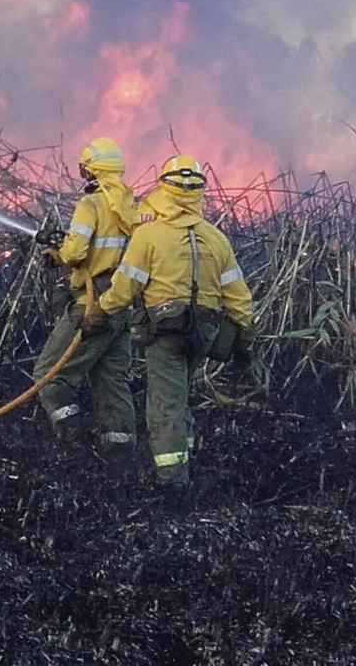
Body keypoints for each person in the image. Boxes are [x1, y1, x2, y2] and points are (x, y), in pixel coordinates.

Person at [84, 154, 254, 491]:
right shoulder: (217, 239)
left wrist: (99, 312)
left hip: (165, 333)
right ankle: (185, 461)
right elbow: (238, 297)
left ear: (164, 189)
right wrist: (244, 337)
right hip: (203, 333)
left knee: (164, 406)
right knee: (180, 397)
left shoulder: (149, 235)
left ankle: (173, 483)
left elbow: (124, 287)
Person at [32, 137, 139, 451]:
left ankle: (75, 447)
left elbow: (77, 250)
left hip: (91, 303)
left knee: (48, 376)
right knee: (112, 384)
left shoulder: (91, 204)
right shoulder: (128, 206)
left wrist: (59, 254)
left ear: (91, 172)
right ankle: (121, 460)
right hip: (120, 305)